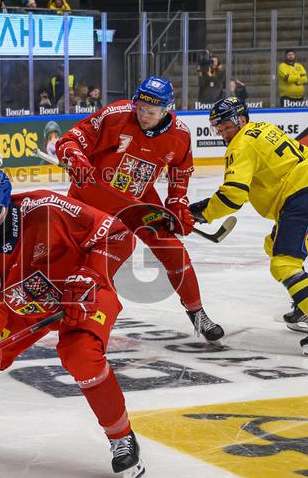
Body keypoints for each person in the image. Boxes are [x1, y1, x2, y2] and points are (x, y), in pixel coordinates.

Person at [0, 162, 146, 478]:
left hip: (80, 296)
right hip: (23, 306)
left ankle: (121, 436)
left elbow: (117, 235)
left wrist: (90, 275)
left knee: (81, 354)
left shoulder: (48, 209)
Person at [55, 76, 224, 341]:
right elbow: (68, 141)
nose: (144, 115)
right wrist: (75, 157)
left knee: (172, 249)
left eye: (152, 111)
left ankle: (197, 312)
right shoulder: (116, 115)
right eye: (141, 108)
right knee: (74, 257)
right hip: (91, 196)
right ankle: (56, 307)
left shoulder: (180, 134)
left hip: (137, 198)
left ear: (166, 109)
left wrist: (177, 201)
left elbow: (181, 169)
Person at [189, 97, 308, 356]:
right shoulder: (263, 128)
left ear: (240, 120)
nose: (223, 134)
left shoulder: (241, 144)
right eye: (219, 130)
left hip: (303, 198)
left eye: (226, 127)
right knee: (274, 246)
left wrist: (202, 212)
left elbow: (233, 196)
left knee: (284, 263)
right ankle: (304, 306)